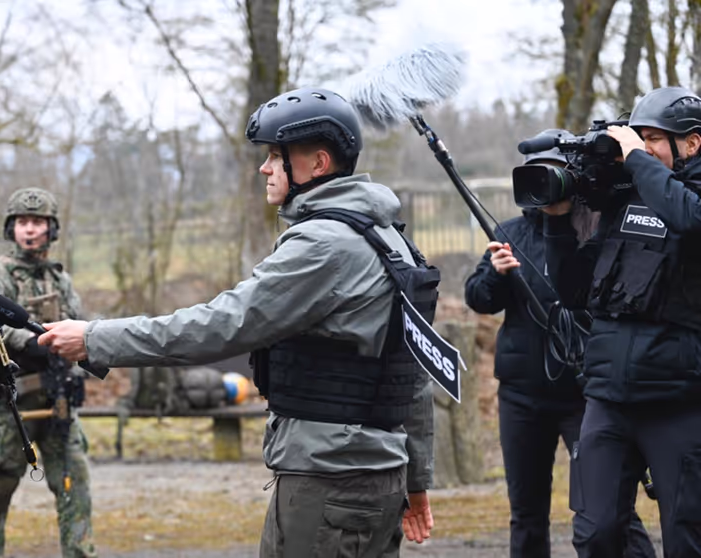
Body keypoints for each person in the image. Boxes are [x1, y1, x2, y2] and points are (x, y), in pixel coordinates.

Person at [36, 87, 437, 557]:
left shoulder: (325, 245)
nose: (264, 169)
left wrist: (94, 338)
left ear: (318, 163)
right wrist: (415, 477)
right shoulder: (389, 239)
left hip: (329, 480)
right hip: (374, 477)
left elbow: (221, 324)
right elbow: (413, 373)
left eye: (274, 156)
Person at [465, 130, 655, 558]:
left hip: (582, 392)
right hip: (521, 395)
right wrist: (495, 273)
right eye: (536, 176)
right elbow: (478, 298)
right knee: (526, 513)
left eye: (553, 174)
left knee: (602, 506)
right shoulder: (509, 232)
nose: (544, 186)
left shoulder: (597, 228)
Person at [542, 86, 701, 557]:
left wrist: (637, 160)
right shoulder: (630, 202)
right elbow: (573, 291)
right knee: (596, 533)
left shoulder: (683, 201)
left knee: (687, 538)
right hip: (608, 398)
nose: (641, 148)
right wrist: (557, 220)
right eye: (638, 138)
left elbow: (688, 218)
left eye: (652, 138)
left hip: (681, 401)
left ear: (692, 143)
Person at [0, 188, 97, 558]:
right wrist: (35, 342)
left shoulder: (59, 278)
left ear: (51, 229)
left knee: (75, 485)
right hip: (10, 405)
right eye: (23, 222)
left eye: (38, 223)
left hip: (58, 401)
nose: (30, 230)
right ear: (12, 228)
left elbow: (77, 321)